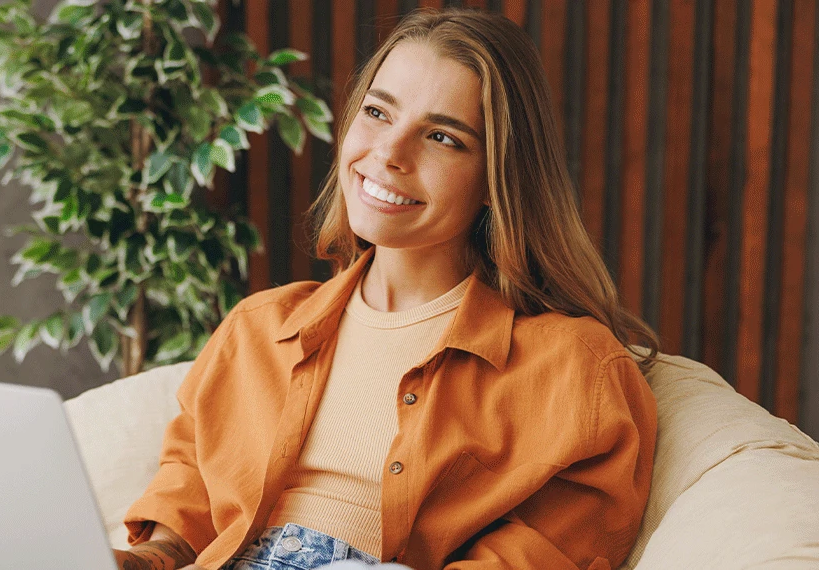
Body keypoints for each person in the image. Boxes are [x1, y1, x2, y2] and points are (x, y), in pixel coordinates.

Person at [111, 8, 661, 570]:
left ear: (500, 177)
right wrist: (143, 559)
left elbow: (548, 552)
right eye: (377, 112)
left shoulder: (577, 370)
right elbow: (187, 500)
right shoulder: (258, 328)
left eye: (443, 137)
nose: (389, 154)